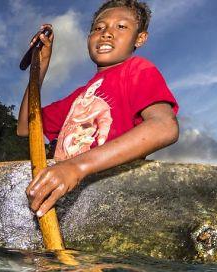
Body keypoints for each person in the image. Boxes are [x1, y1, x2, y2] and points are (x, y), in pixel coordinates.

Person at [16, 0, 179, 218]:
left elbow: (164, 127)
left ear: (139, 38)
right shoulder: (79, 96)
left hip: (110, 206)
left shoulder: (138, 70)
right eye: (98, 28)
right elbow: (26, 127)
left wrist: (76, 168)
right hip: (65, 208)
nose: (106, 33)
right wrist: (41, 66)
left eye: (121, 26)